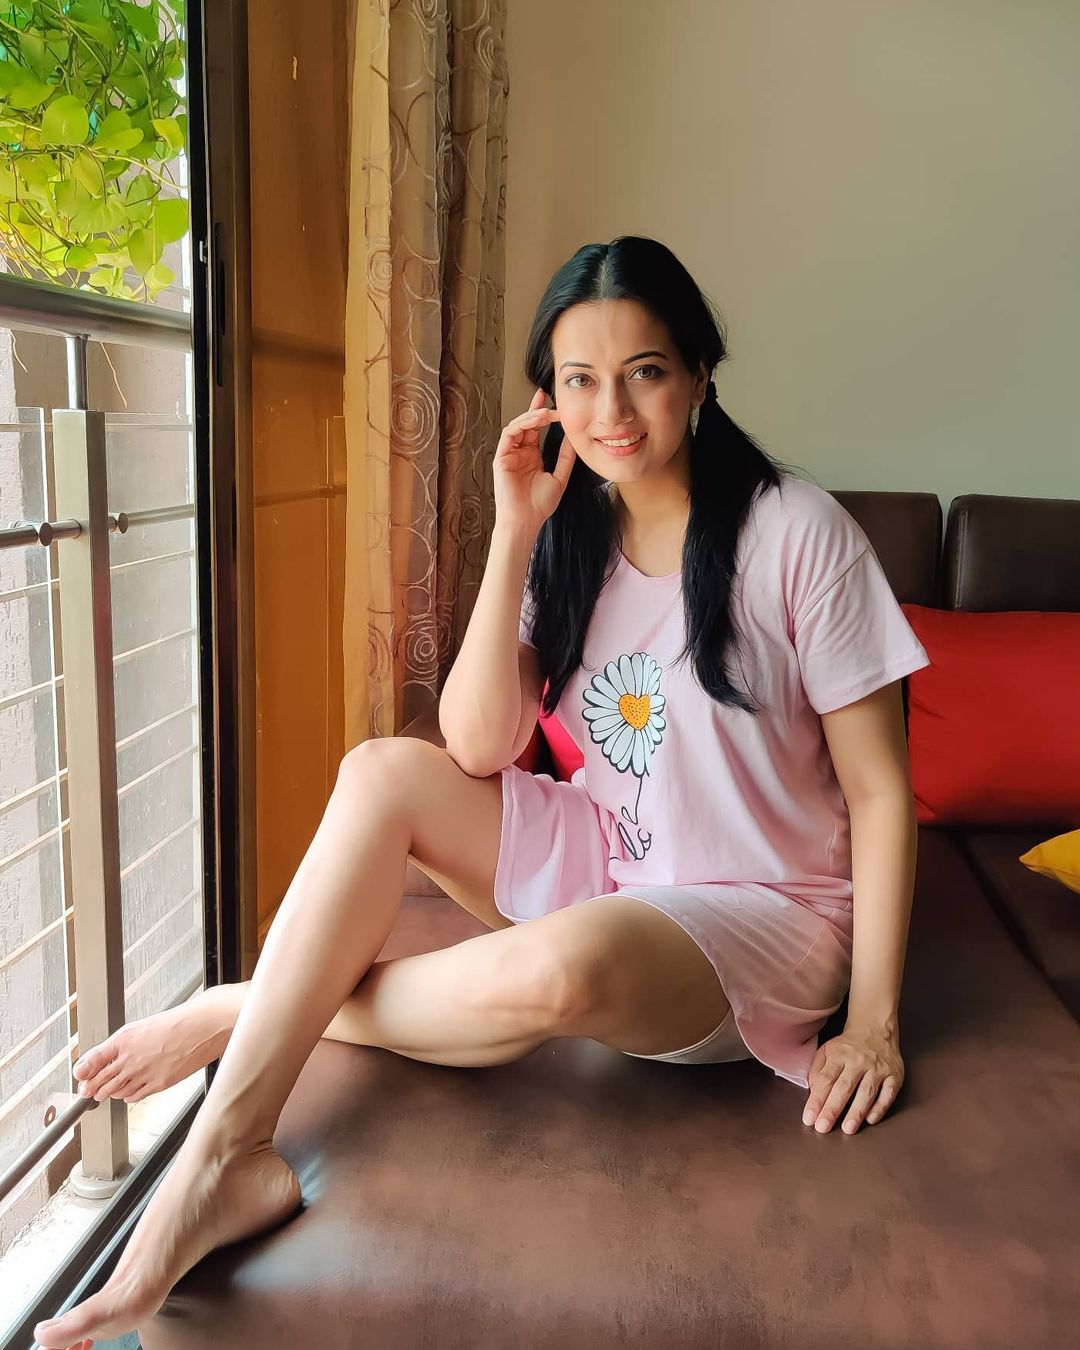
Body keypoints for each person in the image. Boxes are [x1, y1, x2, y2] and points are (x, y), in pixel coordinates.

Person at [35, 235, 929, 1348]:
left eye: (646, 372)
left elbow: (880, 795)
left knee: (560, 965)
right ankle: (234, 1151)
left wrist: (875, 1023)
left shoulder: (797, 533)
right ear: (547, 397)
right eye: (580, 380)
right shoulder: (571, 536)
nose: (612, 412)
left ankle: (251, 1013)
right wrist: (514, 531)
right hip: (614, 854)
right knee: (381, 773)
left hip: (765, 910)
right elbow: (473, 743)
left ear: (700, 375)